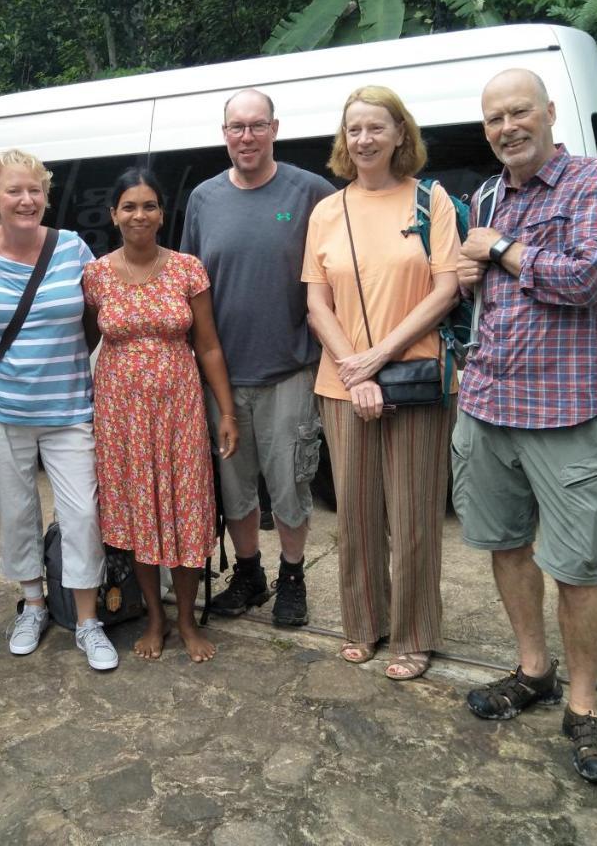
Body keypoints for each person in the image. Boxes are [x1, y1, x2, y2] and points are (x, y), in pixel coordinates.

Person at [454, 68, 597, 785]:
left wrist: (496, 250)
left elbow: (587, 276)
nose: (507, 127)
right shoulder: (487, 195)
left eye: (519, 111)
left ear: (550, 112)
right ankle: (534, 670)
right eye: (494, 118)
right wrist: (470, 273)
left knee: (579, 570)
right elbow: (486, 284)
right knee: (504, 547)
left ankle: (584, 709)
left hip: (564, 411)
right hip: (488, 404)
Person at [302, 86, 460, 681]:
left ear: (400, 133)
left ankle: (415, 634)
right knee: (358, 514)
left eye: (375, 128)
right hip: (342, 383)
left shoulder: (430, 201)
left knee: (417, 513)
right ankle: (363, 623)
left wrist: (378, 359)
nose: (363, 140)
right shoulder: (326, 210)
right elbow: (318, 303)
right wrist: (354, 367)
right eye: (353, 130)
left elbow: (445, 290)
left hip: (414, 379)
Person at [179, 88, 335, 626]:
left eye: (256, 125)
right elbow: (190, 286)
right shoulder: (203, 198)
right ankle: (250, 574)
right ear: (224, 134)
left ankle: (293, 576)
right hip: (219, 377)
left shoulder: (311, 190)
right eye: (236, 127)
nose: (246, 137)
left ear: (275, 128)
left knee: (291, 482)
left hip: (289, 367)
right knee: (234, 486)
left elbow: (334, 274)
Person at [0, 149, 117, 671]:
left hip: (69, 407)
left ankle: (87, 619)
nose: (25, 200)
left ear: (46, 195)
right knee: (17, 514)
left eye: (34, 190)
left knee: (82, 515)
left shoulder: (73, 249)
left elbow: (98, 312)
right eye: (13, 190)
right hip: (1, 408)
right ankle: (32, 604)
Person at [83, 168, 239, 663]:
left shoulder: (188, 269)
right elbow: (87, 340)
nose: (139, 215)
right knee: (139, 515)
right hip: (120, 415)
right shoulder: (97, 275)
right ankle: (156, 617)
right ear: (113, 215)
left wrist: (226, 412)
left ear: (161, 213)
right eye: (128, 206)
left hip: (179, 408)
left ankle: (188, 619)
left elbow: (209, 345)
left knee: (185, 511)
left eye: (148, 205)